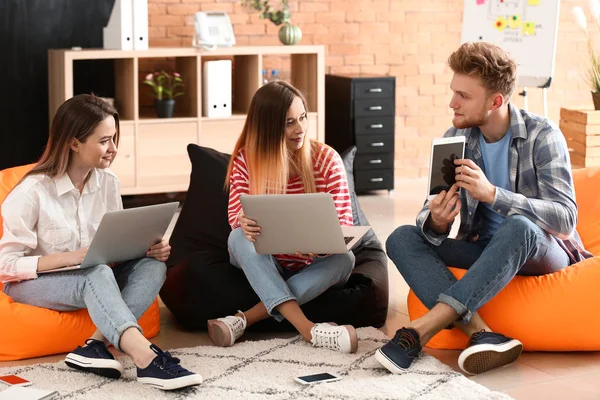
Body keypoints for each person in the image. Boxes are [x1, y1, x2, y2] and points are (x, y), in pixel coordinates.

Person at [375, 42, 593, 375]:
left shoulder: (543, 136)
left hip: (544, 251)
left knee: (518, 226)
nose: (452, 103)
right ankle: (482, 333)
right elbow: (428, 211)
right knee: (402, 237)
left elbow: (565, 218)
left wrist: (494, 195)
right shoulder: (457, 138)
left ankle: (419, 330)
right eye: (453, 92)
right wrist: (434, 221)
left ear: (496, 101)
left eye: (464, 95)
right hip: (484, 251)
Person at [0, 94, 202, 391]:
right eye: (105, 140)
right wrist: (71, 258)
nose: (114, 149)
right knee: (97, 273)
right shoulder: (32, 191)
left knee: (152, 267)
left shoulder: (108, 183)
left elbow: (113, 247)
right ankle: (146, 359)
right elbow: (6, 266)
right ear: (74, 143)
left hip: (93, 274)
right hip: (33, 282)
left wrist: (146, 249)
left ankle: (94, 346)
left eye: (114, 138)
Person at [207, 81, 358, 353]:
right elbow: (235, 218)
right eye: (289, 123)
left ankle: (243, 320)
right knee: (239, 237)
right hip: (264, 260)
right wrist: (245, 223)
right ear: (268, 127)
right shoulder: (246, 160)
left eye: (302, 118)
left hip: (312, 262)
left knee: (345, 259)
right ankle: (308, 329)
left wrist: (324, 247)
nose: (300, 129)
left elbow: (344, 226)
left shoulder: (327, 160)